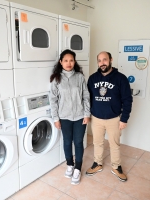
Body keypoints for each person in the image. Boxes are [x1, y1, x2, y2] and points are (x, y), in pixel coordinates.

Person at [86, 51, 133, 182]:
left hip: (114, 118)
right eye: (100, 60)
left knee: (114, 144)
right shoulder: (93, 78)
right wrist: (87, 114)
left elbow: (127, 100)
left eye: (105, 60)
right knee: (97, 143)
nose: (102, 63)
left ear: (111, 60)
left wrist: (124, 119)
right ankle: (97, 163)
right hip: (96, 118)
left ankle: (116, 167)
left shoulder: (121, 78)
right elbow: (87, 98)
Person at [50, 49, 90, 185]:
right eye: (66, 60)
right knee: (67, 142)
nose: (69, 63)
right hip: (64, 117)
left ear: (74, 62)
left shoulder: (79, 77)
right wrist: (56, 118)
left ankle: (77, 168)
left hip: (79, 116)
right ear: (61, 62)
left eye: (71, 60)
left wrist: (87, 114)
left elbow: (86, 96)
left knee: (78, 142)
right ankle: (70, 165)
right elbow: (53, 99)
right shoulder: (56, 79)